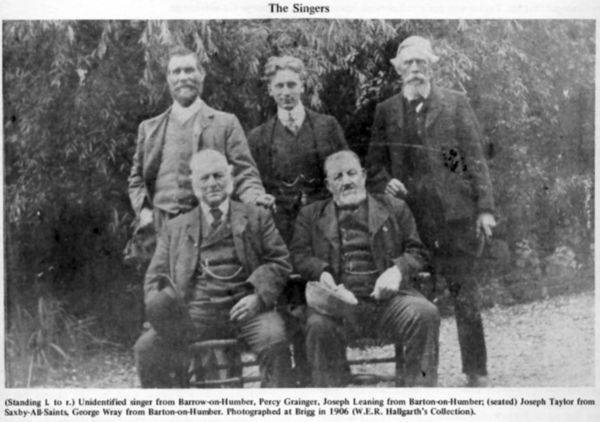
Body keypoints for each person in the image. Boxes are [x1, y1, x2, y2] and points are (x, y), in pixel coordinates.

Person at [366, 35, 497, 387]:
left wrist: (484, 210)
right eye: (408, 64)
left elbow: (474, 159)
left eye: (421, 63)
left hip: (453, 218)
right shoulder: (387, 111)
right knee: (414, 301)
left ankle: (476, 371)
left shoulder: (454, 104)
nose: (415, 70)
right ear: (398, 70)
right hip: (409, 224)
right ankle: (417, 375)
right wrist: (385, 184)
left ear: (431, 66)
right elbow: (374, 167)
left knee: (465, 294)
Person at [133, 149, 293, 388]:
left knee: (275, 340)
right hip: (193, 317)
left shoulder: (257, 217)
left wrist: (258, 298)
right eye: (204, 178)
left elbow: (280, 261)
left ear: (230, 178)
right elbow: (154, 278)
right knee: (146, 348)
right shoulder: (176, 227)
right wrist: (162, 315)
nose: (212, 184)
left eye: (218, 176)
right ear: (194, 184)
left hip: (248, 312)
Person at [290, 150, 439, 387]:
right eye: (338, 177)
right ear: (329, 185)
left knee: (424, 313)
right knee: (317, 326)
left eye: (352, 173)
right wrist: (322, 272)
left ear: (364, 176)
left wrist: (398, 270)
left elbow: (418, 251)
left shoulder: (395, 207)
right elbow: (299, 255)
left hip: (388, 302)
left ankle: (419, 400)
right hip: (338, 307)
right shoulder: (310, 215)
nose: (347, 181)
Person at [128, 46, 273, 236]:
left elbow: (245, 173)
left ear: (201, 74)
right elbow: (137, 178)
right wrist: (145, 211)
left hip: (209, 226)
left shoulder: (226, 123)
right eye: (176, 72)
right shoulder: (149, 128)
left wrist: (256, 198)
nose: (182, 77)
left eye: (189, 70)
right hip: (160, 228)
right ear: (168, 79)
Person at [247, 55, 348, 243]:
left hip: (326, 223)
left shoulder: (327, 126)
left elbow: (346, 173)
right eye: (279, 86)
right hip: (281, 228)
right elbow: (253, 183)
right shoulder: (258, 137)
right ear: (270, 90)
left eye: (291, 85)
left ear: (302, 86)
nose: (286, 92)